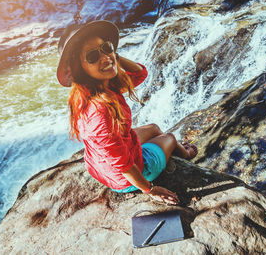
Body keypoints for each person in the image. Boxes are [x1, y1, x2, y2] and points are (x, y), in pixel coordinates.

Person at [56, 20, 198, 205]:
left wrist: (113, 56)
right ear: (79, 69)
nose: (105, 58)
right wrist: (150, 189)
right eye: (92, 56)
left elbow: (140, 74)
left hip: (103, 163)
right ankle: (186, 154)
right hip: (125, 178)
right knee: (169, 137)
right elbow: (124, 165)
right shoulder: (98, 114)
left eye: (105, 47)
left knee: (154, 128)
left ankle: (167, 149)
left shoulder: (100, 87)